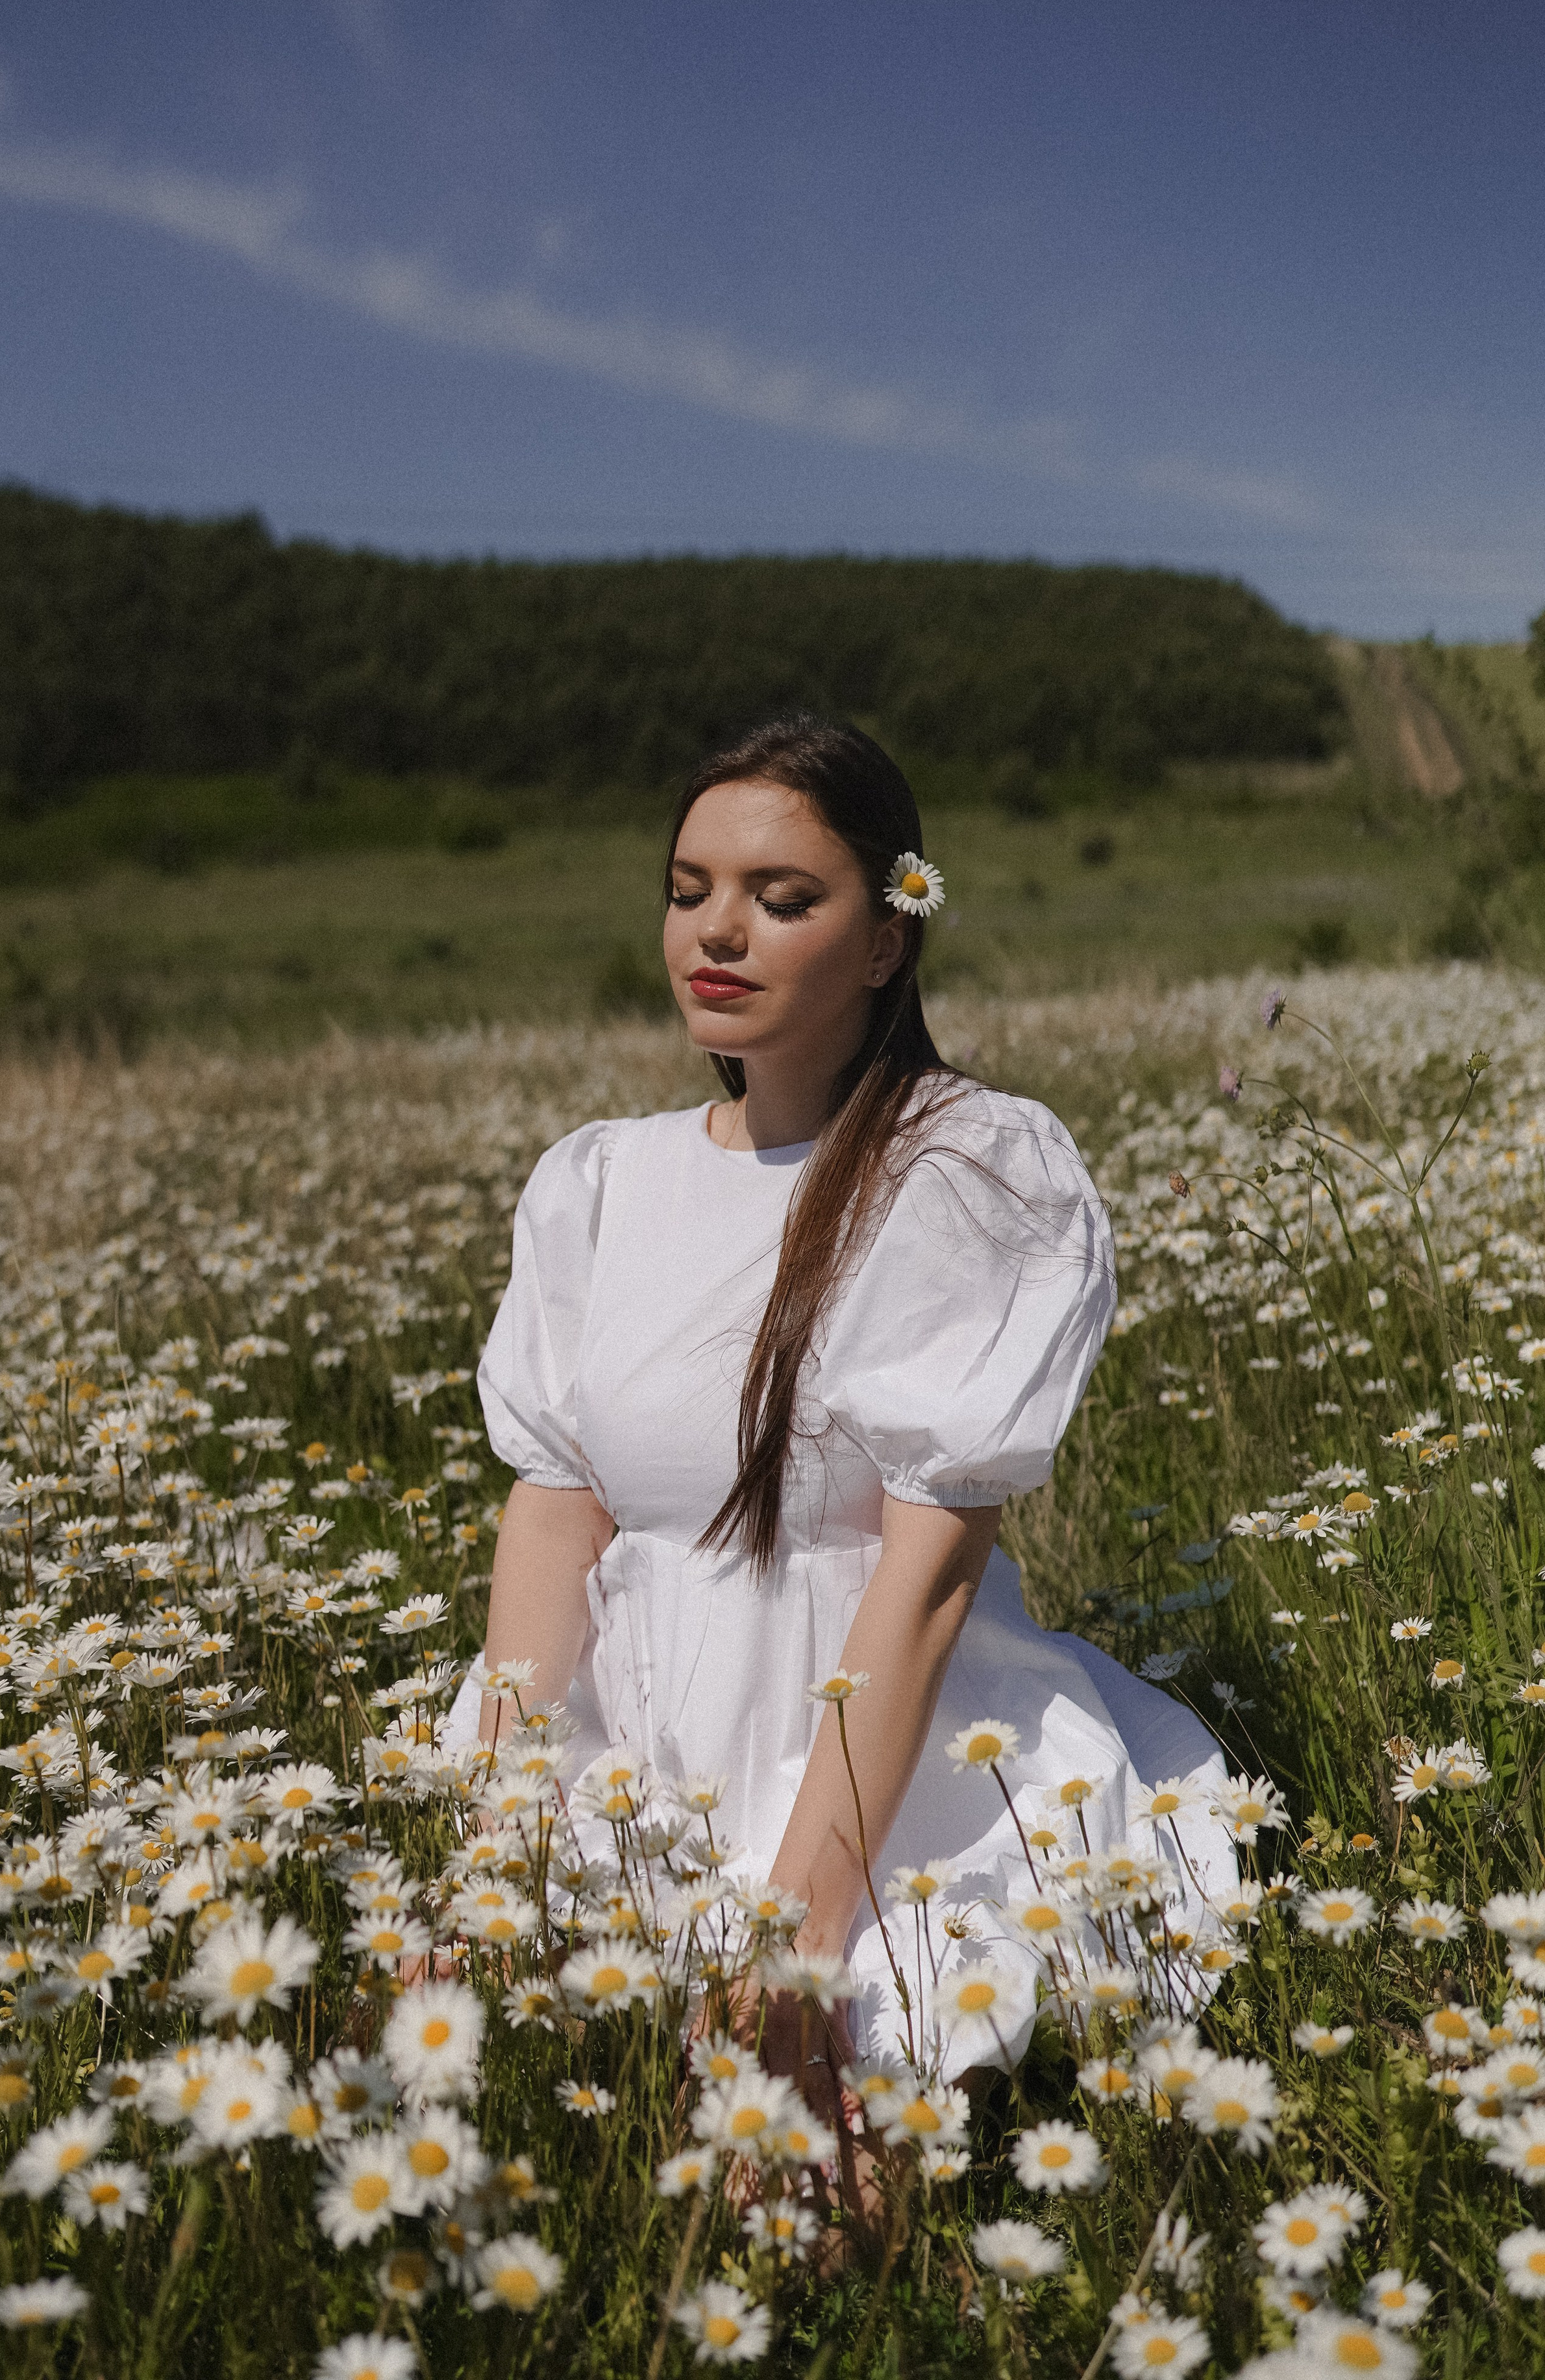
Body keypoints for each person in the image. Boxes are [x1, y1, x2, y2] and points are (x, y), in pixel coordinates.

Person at [444, 713, 1235, 2112]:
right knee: (518, 2105)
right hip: (637, 1738)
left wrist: (802, 1923)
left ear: (885, 937)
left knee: (814, 2185)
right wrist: (495, 1833)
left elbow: (925, 1577)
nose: (715, 932)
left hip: (881, 1762)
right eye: (688, 891)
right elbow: (554, 1511)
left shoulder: (966, 1168)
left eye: (780, 897)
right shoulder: (598, 1184)